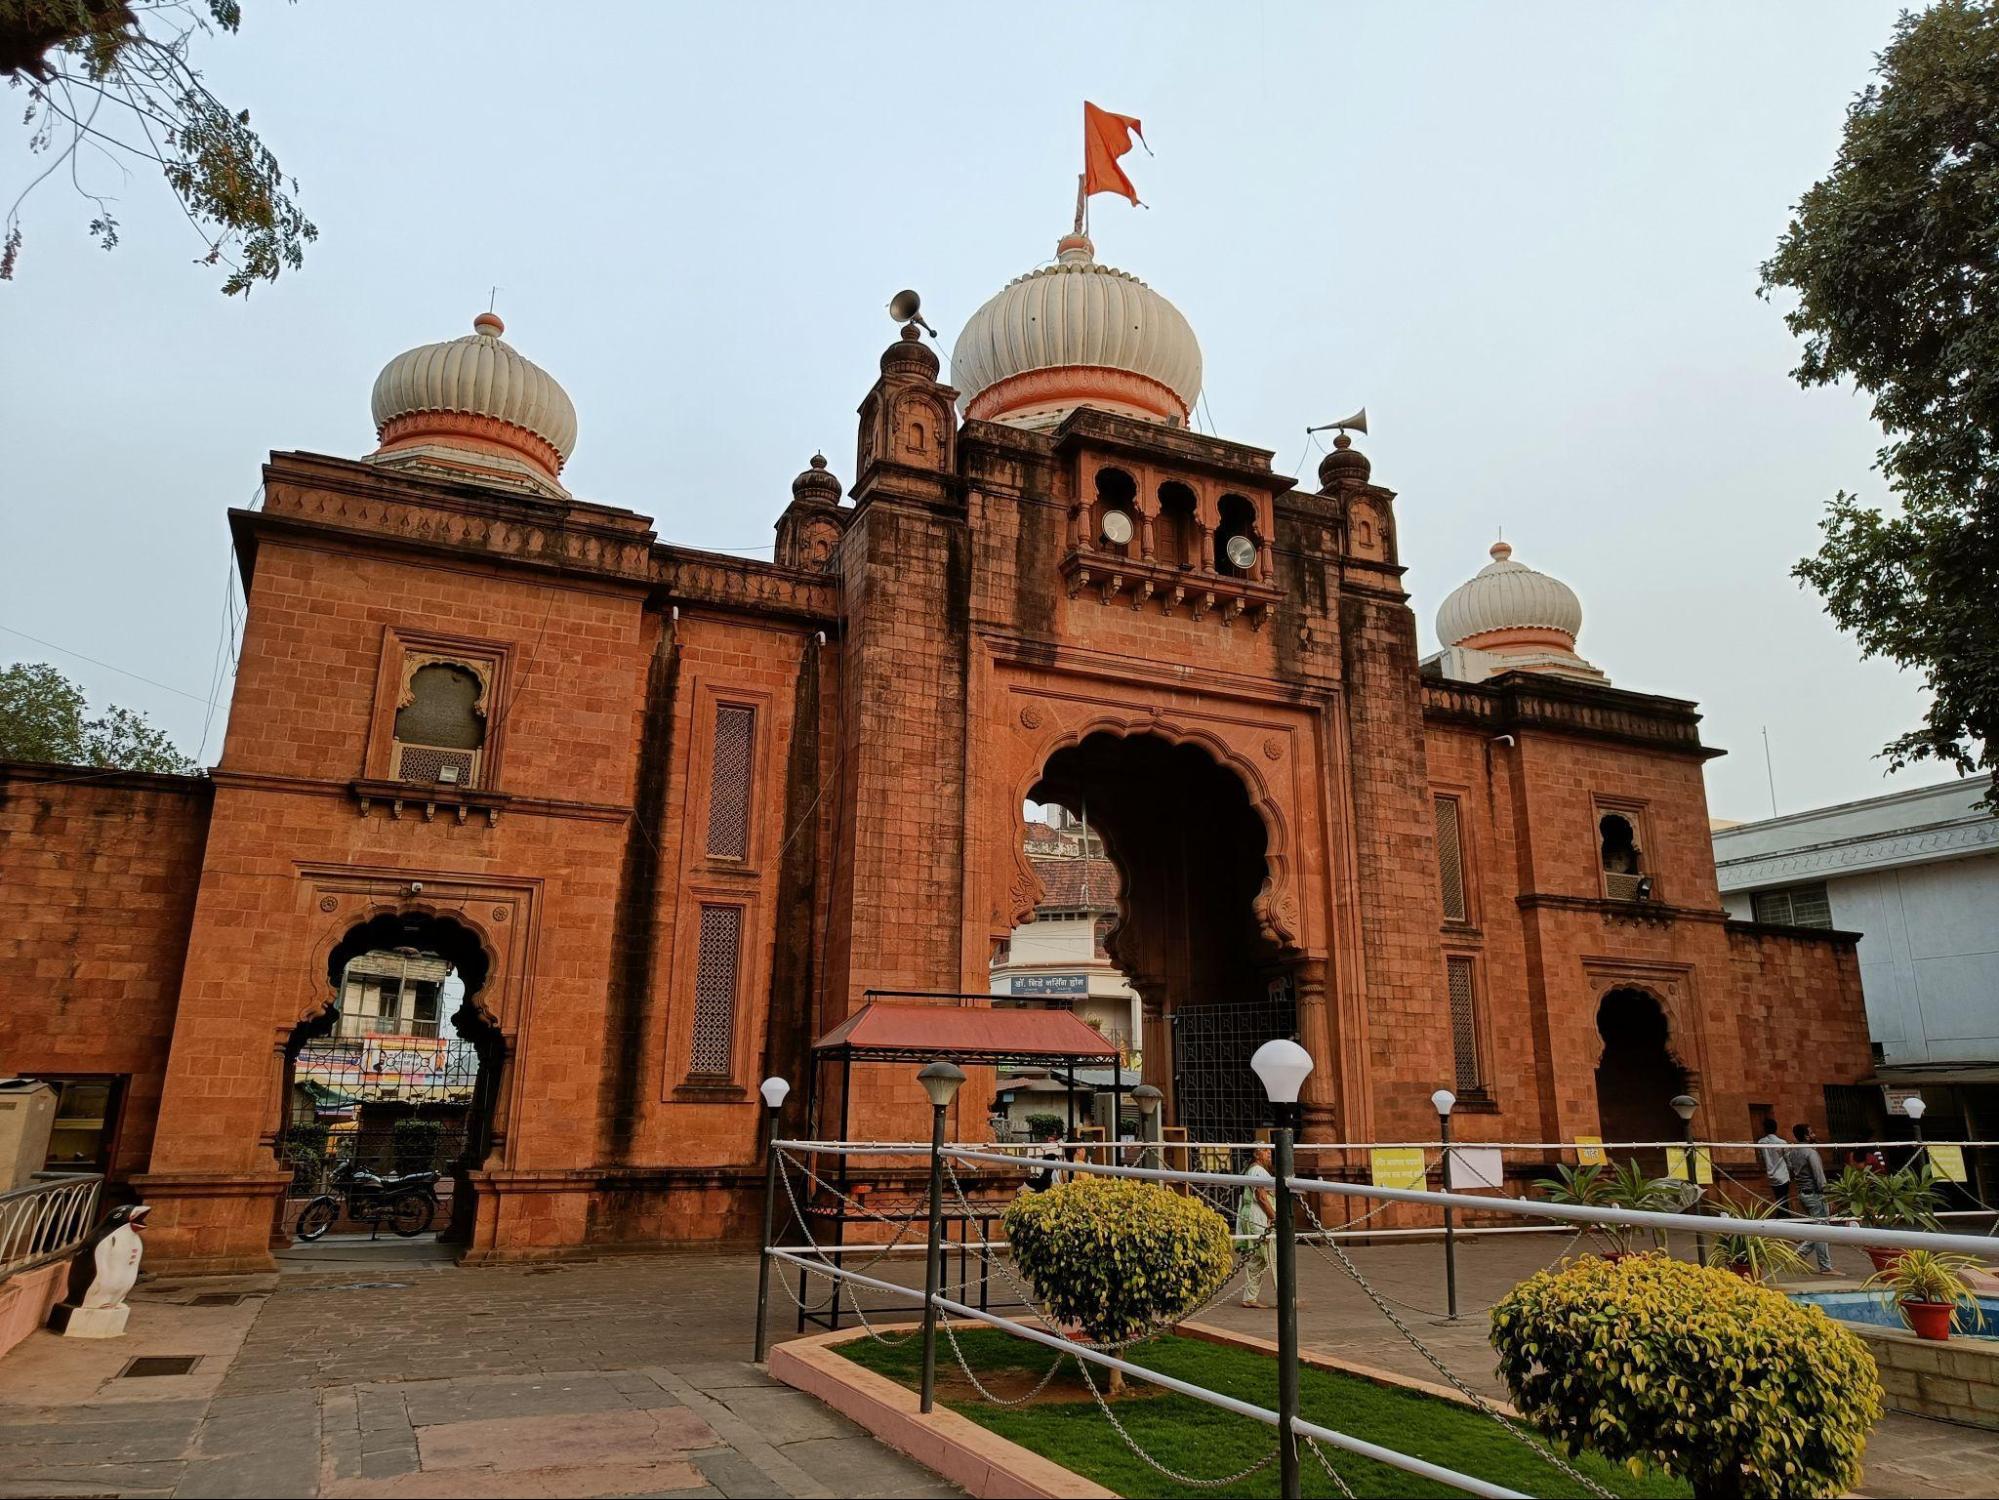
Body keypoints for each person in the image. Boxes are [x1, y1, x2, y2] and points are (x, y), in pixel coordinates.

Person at [1787, 1123, 1835, 1273]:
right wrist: (1828, 1195)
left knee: (1819, 1228)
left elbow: (1791, 1172)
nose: (1814, 1135)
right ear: (1807, 1136)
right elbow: (1819, 1176)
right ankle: (1825, 1266)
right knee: (1822, 1230)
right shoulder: (1811, 1152)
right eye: (1812, 1133)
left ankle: (1799, 1254)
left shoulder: (1792, 1152)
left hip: (1803, 1192)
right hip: (1815, 1194)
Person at [1237, 1146, 1277, 1309]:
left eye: (1269, 1151)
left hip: (1252, 1215)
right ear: (1256, 1154)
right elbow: (1261, 1197)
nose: (1269, 1153)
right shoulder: (1258, 1171)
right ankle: (1286, 1297)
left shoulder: (1254, 1170)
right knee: (1274, 1255)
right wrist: (1273, 1216)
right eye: (1265, 1150)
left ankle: (1249, 1297)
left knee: (1256, 1259)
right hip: (1259, 1216)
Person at [1755, 1116, 1792, 1213]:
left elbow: (1761, 1158)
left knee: (1779, 1199)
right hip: (1783, 1175)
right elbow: (1788, 1159)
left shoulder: (1761, 1142)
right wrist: (1791, 1169)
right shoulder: (1782, 1143)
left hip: (1771, 1175)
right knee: (1784, 1201)